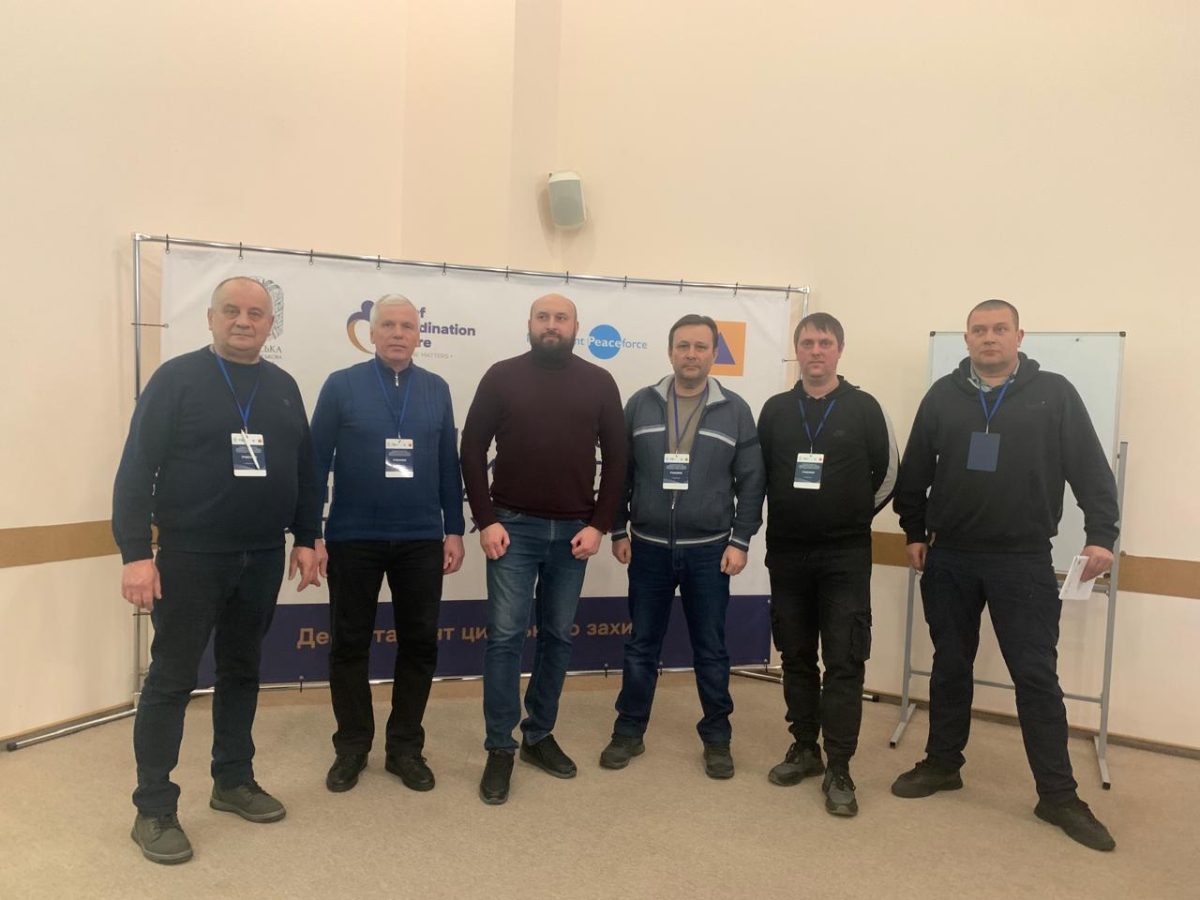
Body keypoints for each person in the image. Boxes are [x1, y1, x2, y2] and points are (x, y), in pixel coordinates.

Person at [891, 299, 1120, 851]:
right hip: (951, 556)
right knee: (950, 665)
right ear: (966, 338)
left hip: (1023, 559)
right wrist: (914, 531)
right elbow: (915, 471)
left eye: (999, 329)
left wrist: (1101, 534)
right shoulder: (942, 396)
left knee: (1036, 677)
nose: (988, 337)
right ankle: (943, 763)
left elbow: (1090, 468)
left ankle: (1058, 796)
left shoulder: (1054, 393)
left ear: (1019, 336)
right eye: (979, 330)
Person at [113, 276, 321, 864]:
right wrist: (135, 553)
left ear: (270, 324)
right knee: (171, 679)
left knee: (242, 671)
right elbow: (136, 469)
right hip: (191, 557)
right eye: (231, 310)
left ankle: (232, 780)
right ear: (210, 318)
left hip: (262, 556)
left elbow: (304, 470)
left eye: (256, 313)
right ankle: (153, 807)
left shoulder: (283, 387)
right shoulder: (176, 379)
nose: (243, 321)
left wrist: (307, 537)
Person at [460, 293, 626, 805]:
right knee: (505, 639)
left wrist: (599, 525)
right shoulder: (501, 376)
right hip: (512, 528)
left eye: (561, 318)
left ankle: (538, 735)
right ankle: (499, 747)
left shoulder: (600, 382)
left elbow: (619, 460)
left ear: (576, 326)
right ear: (529, 324)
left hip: (574, 533)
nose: (552, 325)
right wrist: (485, 519)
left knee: (557, 637)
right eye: (543, 317)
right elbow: (471, 448)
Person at [309, 295, 465, 795]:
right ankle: (352, 746)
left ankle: (405, 748)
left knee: (419, 644)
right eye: (388, 325)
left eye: (407, 326)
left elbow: (448, 465)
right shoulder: (341, 385)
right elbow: (315, 462)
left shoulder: (436, 388)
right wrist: (311, 533)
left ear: (419, 336)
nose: (398, 334)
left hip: (421, 539)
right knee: (349, 644)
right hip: (352, 537)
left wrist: (454, 529)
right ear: (371, 334)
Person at [601, 314, 765, 778]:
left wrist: (741, 540)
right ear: (670, 351)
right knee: (641, 646)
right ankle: (628, 731)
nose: (691, 354)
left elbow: (752, 481)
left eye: (701, 347)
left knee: (710, 648)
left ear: (714, 354)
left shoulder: (735, 410)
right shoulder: (641, 404)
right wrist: (618, 529)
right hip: (648, 548)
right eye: (683, 346)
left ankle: (717, 738)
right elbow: (619, 471)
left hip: (710, 551)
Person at [756, 312, 897, 816]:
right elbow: (758, 475)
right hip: (787, 553)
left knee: (843, 660)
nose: (816, 351)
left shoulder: (864, 407)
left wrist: (851, 515)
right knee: (795, 655)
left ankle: (840, 765)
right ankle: (804, 748)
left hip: (845, 555)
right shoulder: (775, 410)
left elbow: (889, 474)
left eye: (825, 342)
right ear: (797, 349)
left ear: (839, 349)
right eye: (808, 342)